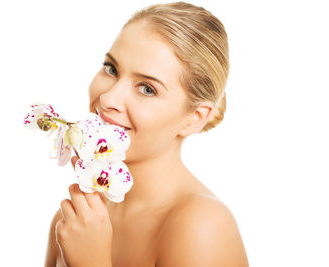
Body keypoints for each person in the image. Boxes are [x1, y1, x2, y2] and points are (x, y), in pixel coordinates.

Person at [45, 2, 249, 266]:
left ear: (194, 118)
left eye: (147, 89)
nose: (108, 98)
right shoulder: (74, 222)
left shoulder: (202, 226)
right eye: (111, 69)